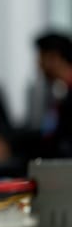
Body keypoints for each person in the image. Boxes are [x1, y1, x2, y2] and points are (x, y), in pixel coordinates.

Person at [33, 30, 72, 158]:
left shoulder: (68, 96)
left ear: (54, 58)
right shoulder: (61, 90)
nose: (38, 65)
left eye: (41, 58)